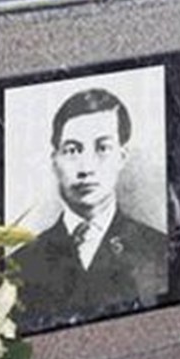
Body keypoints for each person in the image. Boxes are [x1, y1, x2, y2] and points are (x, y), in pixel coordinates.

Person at [12, 88, 168, 330]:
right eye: (72, 150)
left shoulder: (161, 251)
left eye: (102, 148)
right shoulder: (19, 266)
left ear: (122, 156)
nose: (86, 168)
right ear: (55, 161)